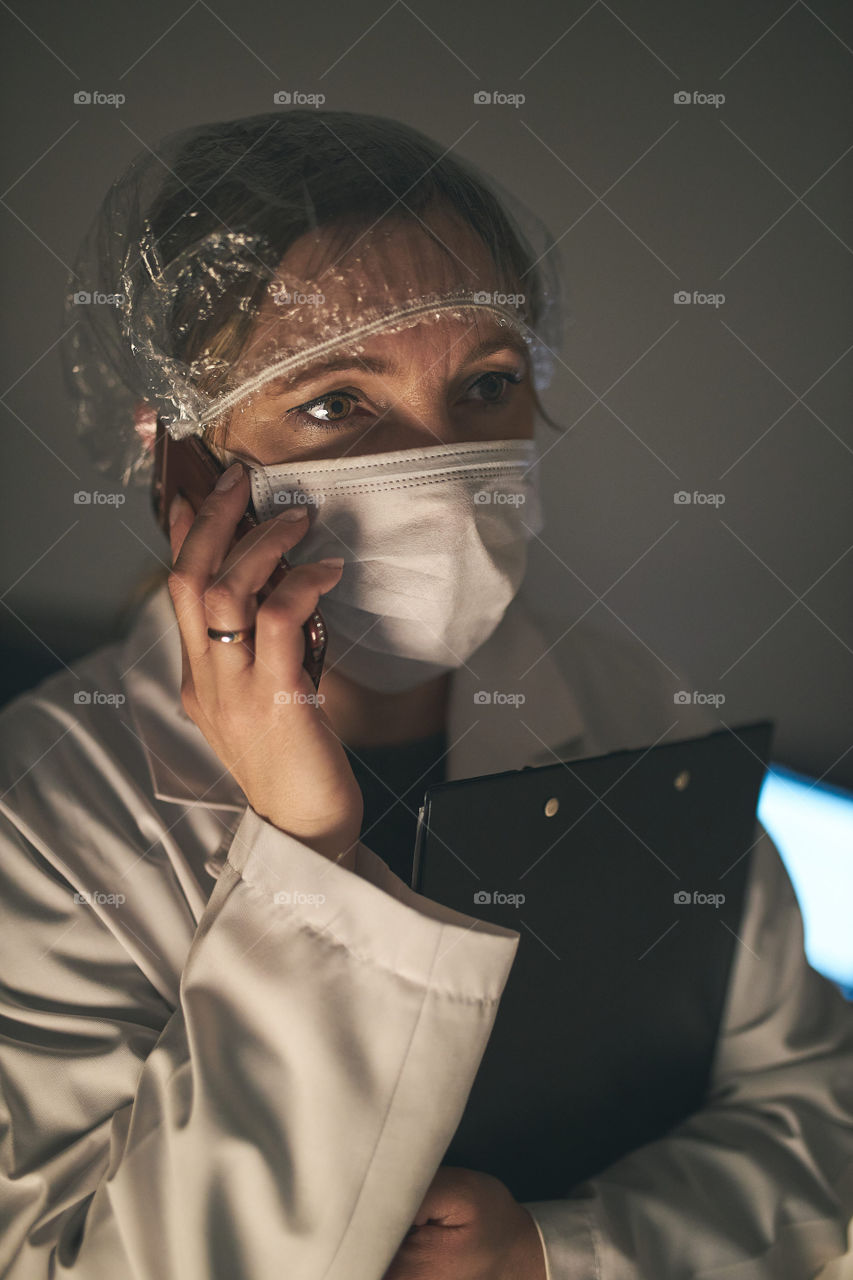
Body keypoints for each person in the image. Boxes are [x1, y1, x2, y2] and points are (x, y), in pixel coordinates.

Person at [0, 109, 851, 1280]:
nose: (446, 477)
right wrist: (305, 851)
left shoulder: (628, 701)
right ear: (182, 466)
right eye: (338, 401)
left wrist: (562, 1250)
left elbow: (816, 1114)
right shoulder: (44, 809)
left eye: (488, 383)